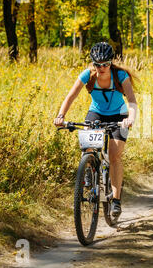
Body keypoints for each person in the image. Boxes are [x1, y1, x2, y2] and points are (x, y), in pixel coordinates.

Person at [54, 42, 138, 217]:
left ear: (110, 63)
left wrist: (130, 118)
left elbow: (131, 100)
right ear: (93, 63)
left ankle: (115, 200)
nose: (101, 68)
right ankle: (89, 171)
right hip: (97, 113)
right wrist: (61, 116)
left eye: (105, 64)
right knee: (88, 147)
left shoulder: (120, 75)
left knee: (114, 155)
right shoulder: (88, 75)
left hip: (119, 116)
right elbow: (71, 96)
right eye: (97, 65)